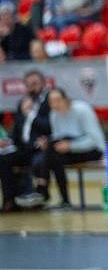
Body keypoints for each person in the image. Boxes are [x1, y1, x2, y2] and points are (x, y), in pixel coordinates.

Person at [16, 88, 104, 210]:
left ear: (66, 99)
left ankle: (43, 191)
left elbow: (95, 139)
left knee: (52, 152)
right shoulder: (54, 114)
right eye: (51, 101)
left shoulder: (82, 109)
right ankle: (63, 201)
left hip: (93, 149)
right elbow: (58, 138)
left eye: (58, 100)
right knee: (52, 152)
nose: (55, 104)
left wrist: (71, 146)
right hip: (68, 150)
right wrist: (48, 142)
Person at [0, 71, 50, 212]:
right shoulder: (22, 102)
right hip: (23, 148)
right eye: (28, 85)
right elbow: (17, 130)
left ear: (43, 83)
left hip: (40, 147)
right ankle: (10, 201)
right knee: (3, 159)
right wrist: (7, 141)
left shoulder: (48, 101)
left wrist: (30, 113)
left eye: (35, 84)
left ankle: (41, 196)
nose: (31, 87)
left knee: (40, 161)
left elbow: (48, 126)